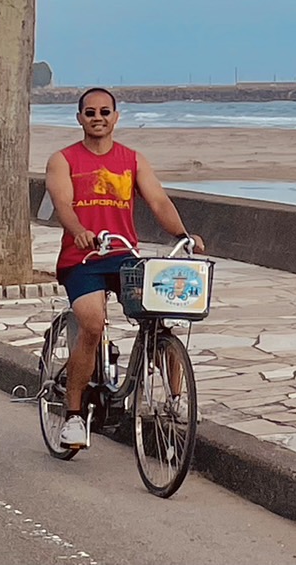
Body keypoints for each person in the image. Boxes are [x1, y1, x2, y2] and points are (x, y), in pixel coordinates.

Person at [45, 86, 205, 450]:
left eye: (104, 112)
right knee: (92, 323)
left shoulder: (132, 159)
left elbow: (158, 200)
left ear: (116, 117)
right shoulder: (64, 159)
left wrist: (183, 235)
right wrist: (79, 231)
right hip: (82, 259)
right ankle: (73, 414)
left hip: (124, 255)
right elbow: (62, 204)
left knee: (160, 317)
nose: (97, 118)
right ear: (80, 118)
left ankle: (175, 402)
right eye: (90, 112)